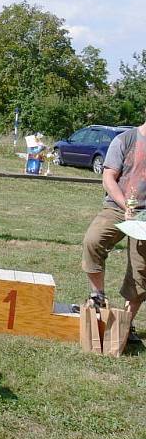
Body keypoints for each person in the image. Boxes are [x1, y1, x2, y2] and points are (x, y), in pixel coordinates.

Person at [81, 120, 146, 342]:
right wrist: (125, 205)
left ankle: (124, 324)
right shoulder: (125, 139)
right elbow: (108, 177)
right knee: (93, 240)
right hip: (118, 206)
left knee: (142, 269)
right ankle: (97, 296)